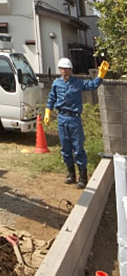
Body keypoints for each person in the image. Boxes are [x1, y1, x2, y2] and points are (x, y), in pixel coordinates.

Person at [44, 57, 109, 188]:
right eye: (62, 69)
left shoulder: (78, 83)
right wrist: (47, 110)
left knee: (78, 148)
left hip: (74, 119)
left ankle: (83, 178)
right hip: (62, 118)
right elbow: (52, 97)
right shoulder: (56, 83)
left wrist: (100, 75)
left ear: (71, 70)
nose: (64, 71)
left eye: (67, 69)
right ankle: (71, 175)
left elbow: (92, 85)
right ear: (60, 70)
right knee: (65, 148)